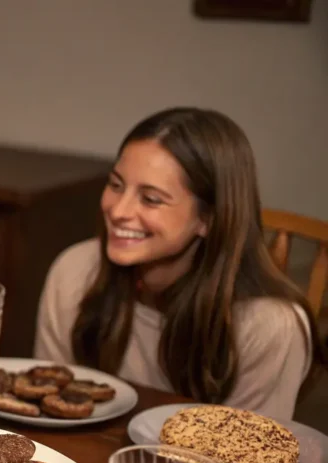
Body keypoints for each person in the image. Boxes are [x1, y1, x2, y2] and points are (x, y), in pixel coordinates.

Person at [34, 107, 323, 421]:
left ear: (208, 218)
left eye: (151, 198)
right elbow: (47, 411)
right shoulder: (76, 270)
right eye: (116, 185)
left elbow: (249, 460)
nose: (118, 210)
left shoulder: (269, 325)